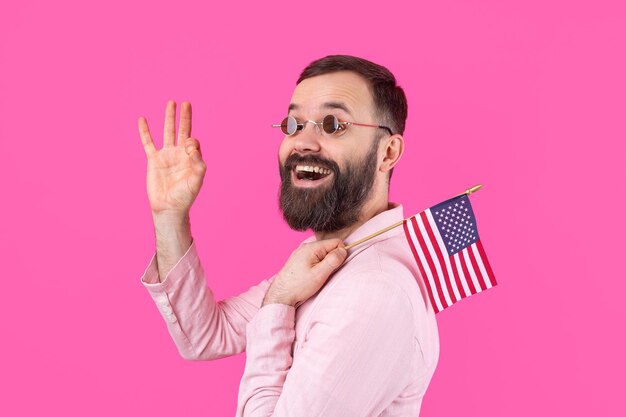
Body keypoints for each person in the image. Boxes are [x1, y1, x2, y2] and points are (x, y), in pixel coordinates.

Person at [138, 55, 439, 416]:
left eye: (333, 124)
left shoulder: (372, 290)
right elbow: (204, 336)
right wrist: (170, 216)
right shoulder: (331, 256)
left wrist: (278, 300)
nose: (303, 142)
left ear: (388, 152)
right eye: (294, 123)